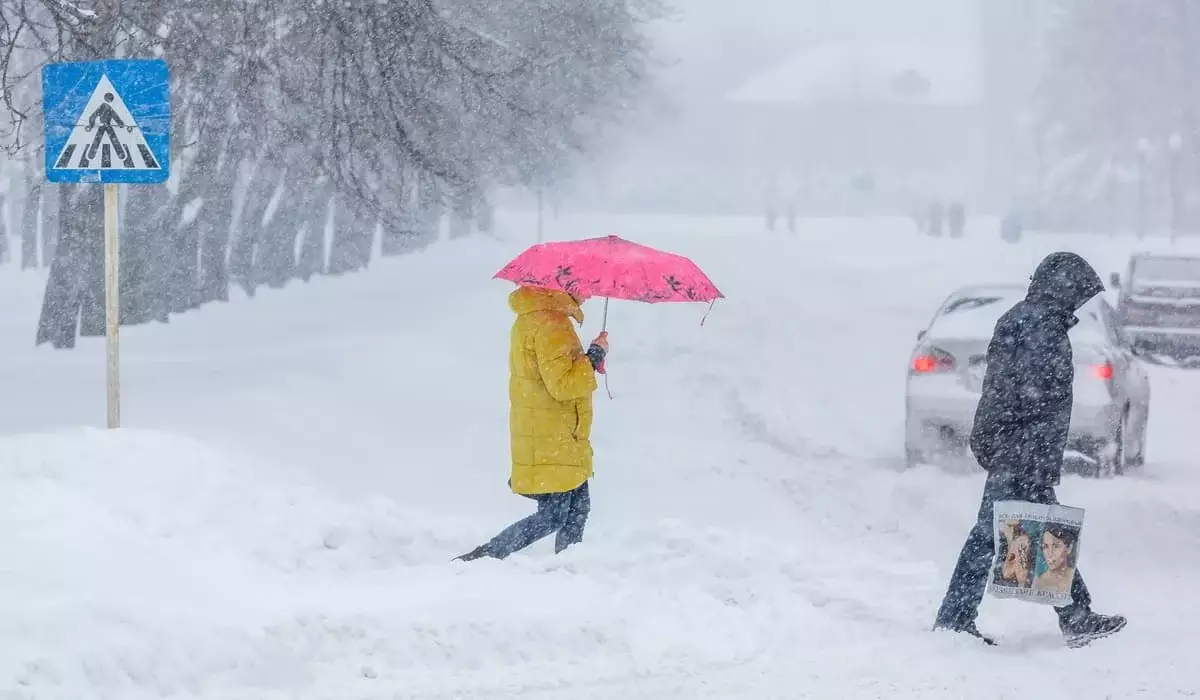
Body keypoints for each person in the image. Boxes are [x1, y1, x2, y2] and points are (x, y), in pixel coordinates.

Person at [933, 252, 1127, 648]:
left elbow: (1015, 393)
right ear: (1063, 289)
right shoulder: (1039, 326)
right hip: (1020, 449)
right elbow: (1028, 397)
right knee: (996, 534)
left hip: (1018, 447)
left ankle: (1075, 614)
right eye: (1079, 294)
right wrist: (1025, 450)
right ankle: (955, 620)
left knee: (1040, 528)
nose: (1080, 303)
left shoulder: (1032, 319)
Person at [456, 285, 608, 561]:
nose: (591, 293)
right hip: (554, 433)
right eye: (587, 286)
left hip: (547, 428)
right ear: (567, 286)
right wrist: (593, 356)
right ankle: (486, 555)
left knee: (577, 509)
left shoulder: (533, 317)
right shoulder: (552, 324)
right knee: (555, 515)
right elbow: (563, 385)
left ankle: (568, 566)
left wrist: (586, 362)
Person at [1035, 524, 1079, 594]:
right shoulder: (1038, 582)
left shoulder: (1076, 579)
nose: (1050, 553)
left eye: (1056, 546)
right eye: (1045, 547)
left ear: (1069, 548)